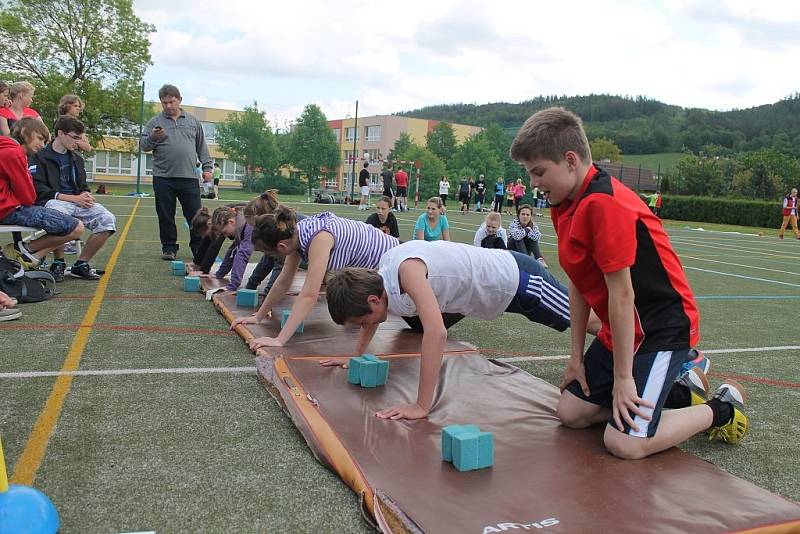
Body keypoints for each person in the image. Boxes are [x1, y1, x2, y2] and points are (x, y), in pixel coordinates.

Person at [510, 106, 748, 460]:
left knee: (624, 443)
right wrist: (575, 358)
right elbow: (578, 284)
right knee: (571, 413)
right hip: (624, 329)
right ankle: (682, 394)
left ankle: (723, 408)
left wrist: (623, 378)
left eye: (539, 172)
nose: (533, 184)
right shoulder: (565, 203)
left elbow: (622, 294)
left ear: (571, 161)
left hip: (661, 327)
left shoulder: (604, 203)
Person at [323, 240, 601, 420]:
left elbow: (437, 333)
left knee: (588, 321)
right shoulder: (380, 281)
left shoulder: (407, 272)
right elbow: (372, 321)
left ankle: (635, 344)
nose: (365, 328)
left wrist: (421, 405)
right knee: (581, 320)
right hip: (501, 291)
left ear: (373, 301)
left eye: (362, 322)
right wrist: (355, 356)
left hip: (518, 279)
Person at [230, 208, 399, 349]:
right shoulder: (298, 234)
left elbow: (310, 295)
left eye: (269, 253)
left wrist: (279, 340)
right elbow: (283, 281)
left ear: (281, 246)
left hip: (393, 264)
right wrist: (258, 316)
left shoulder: (318, 238)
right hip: (382, 263)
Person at [31, 116, 116, 281]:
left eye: (80, 138)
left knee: (107, 219)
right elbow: (38, 189)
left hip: (75, 200)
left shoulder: (76, 158)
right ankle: (58, 262)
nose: (78, 142)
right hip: (52, 201)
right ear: (60, 133)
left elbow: (82, 185)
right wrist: (73, 198)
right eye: (75, 137)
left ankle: (81, 264)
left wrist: (86, 195)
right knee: (59, 215)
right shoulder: (40, 156)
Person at [140, 84, 212, 261]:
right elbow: (143, 146)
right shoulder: (154, 123)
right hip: (163, 177)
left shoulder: (193, 121)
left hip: (188, 177)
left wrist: (207, 168)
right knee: (165, 215)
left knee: (196, 215)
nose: (168, 106)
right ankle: (169, 248)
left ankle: (197, 247)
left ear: (179, 100)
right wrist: (153, 138)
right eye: (164, 103)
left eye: (171, 102)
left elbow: (201, 146)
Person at [1, 118, 84, 268]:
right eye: (39, 138)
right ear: (25, 132)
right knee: (76, 227)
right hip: (6, 210)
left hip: (6, 206)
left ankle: (26, 253)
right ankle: (23, 250)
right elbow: (28, 197)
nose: (42, 145)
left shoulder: (5, 148)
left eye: (45, 141)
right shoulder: (15, 153)